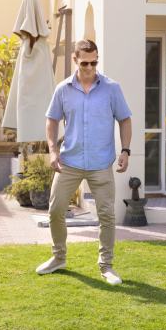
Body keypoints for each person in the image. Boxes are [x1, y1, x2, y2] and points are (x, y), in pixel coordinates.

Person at [35, 39, 132, 285]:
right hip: (69, 161)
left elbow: (125, 119)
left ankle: (106, 266)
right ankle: (58, 258)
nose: (90, 67)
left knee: (107, 215)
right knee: (55, 210)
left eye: (94, 62)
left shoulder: (112, 88)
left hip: (101, 163)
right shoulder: (63, 89)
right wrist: (53, 151)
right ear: (75, 60)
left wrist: (126, 151)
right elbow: (51, 120)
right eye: (85, 62)